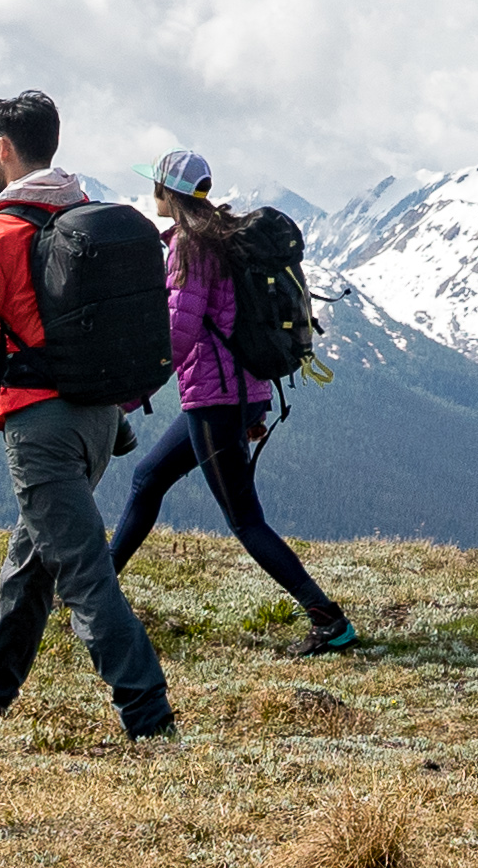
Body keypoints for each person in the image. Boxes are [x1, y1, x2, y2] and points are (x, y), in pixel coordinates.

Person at [0, 88, 182, 743]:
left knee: (83, 579)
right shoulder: (86, 221)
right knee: (31, 563)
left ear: (4, 150)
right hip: (98, 421)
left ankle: (150, 722)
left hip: (41, 427)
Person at [106, 152, 356, 657]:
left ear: (166, 190)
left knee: (244, 519)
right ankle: (95, 594)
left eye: (153, 183)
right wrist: (254, 408)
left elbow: (178, 335)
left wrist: (127, 400)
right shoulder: (223, 236)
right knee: (148, 479)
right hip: (235, 394)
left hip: (217, 399)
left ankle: (328, 619)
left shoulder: (191, 247)